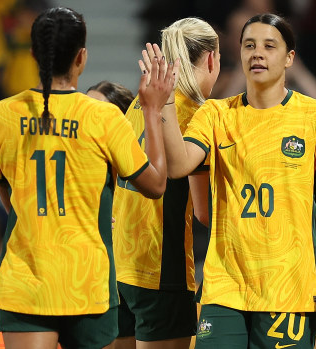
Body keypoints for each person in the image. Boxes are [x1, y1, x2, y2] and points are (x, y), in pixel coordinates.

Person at [152, 13, 316, 349]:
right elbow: (177, 166)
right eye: (249, 45)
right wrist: (168, 101)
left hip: (289, 286)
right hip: (225, 285)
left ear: (290, 58)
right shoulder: (215, 114)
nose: (257, 53)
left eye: (269, 46)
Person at [0, 7, 174, 349]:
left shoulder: (3, 114)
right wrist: (152, 109)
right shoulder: (102, 117)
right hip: (87, 282)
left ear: (32, 54)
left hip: (25, 278)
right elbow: (157, 184)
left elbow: (5, 190)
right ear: (81, 57)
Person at [111, 18, 218, 349]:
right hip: (162, 271)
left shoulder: (137, 104)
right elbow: (205, 213)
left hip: (119, 268)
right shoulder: (200, 116)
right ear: (212, 59)